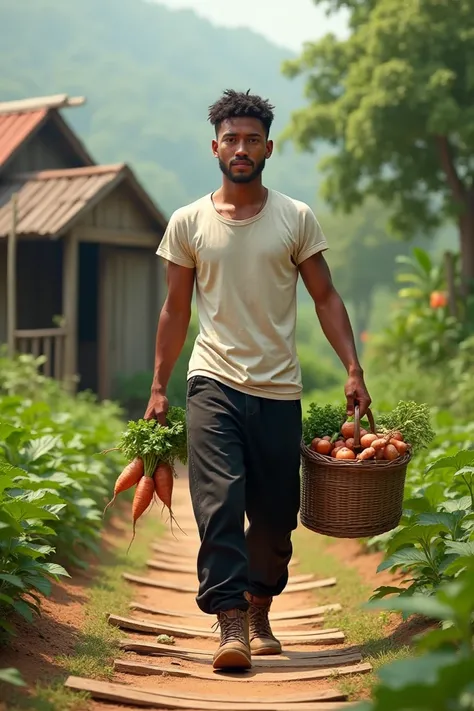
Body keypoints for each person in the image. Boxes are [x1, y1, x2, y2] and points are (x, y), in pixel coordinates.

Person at [145, 89, 371, 671]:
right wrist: (158, 387)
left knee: (274, 514)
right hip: (212, 381)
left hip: (278, 389)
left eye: (251, 139)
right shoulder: (188, 223)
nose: (240, 148)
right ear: (214, 146)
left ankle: (259, 600)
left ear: (268, 148)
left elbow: (325, 296)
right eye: (230, 138)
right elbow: (175, 311)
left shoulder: (295, 218)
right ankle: (230, 622)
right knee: (218, 501)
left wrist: (352, 366)